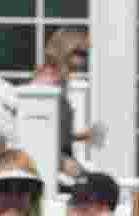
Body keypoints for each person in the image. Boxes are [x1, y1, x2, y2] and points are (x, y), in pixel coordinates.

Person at [31, 29, 105, 178]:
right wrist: (64, 162)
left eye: (85, 54)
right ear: (64, 50)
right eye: (79, 53)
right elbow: (38, 129)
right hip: (50, 156)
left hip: (58, 156)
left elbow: (53, 128)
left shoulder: (59, 81)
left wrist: (82, 136)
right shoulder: (48, 81)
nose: (83, 59)